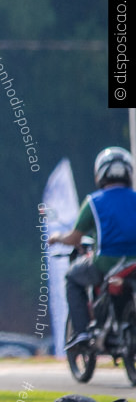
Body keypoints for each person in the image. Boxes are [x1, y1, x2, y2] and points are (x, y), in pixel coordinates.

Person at [49, 147, 136, 347]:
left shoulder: (94, 202)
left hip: (107, 264)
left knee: (72, 277)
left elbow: (75, 238)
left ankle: (81, 333)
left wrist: (57, 237)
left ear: (101, 173)